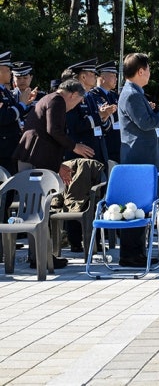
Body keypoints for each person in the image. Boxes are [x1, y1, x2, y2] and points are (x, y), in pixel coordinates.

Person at [13, 79, 95, 268]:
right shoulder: (57, 101)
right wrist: (75, 147)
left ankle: (40, 255)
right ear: (73, 94)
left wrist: (58, 165)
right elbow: (53, 131)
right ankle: (40, 257)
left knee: (37, 211)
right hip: (35, 160)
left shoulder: (50, 99)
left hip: (35, 158)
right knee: (38, 211)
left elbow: (48, 136)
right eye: (77, 102)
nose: (75, 106)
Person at [117, 52, 159, 268]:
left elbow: (143, 120)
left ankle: (137, 252)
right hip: (138, 159)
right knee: (135, 207)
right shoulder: (132, 94)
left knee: (141, 207)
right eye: (149, 70)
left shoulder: (135, 93)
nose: (149, 74)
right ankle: (130, 254)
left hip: (141, 157)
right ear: (141, 71)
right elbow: (145, 123)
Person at [64, 58, 111, 166]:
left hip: (97, 152)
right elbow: (74, 126)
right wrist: (99, 116)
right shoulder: (72, 97)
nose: (95, 76)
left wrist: (105, 117)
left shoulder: (92, 96)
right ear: (83, 77)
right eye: (92, 73)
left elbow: (103, 127)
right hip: (81, 155)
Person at [1, 51, 30, 174]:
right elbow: (3, 117)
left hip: (11, 147)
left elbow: (15, 115)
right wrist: (22, 104)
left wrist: (25, 104)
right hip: (3, 148)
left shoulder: (4, 91)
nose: (10, 73)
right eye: (8, 70)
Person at [90, 61, 121, 163]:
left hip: (118, 142)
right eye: (112, 76)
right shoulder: (93, 96)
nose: (116, 79)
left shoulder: (115, 96)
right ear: (102, 78)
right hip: (104, 142)